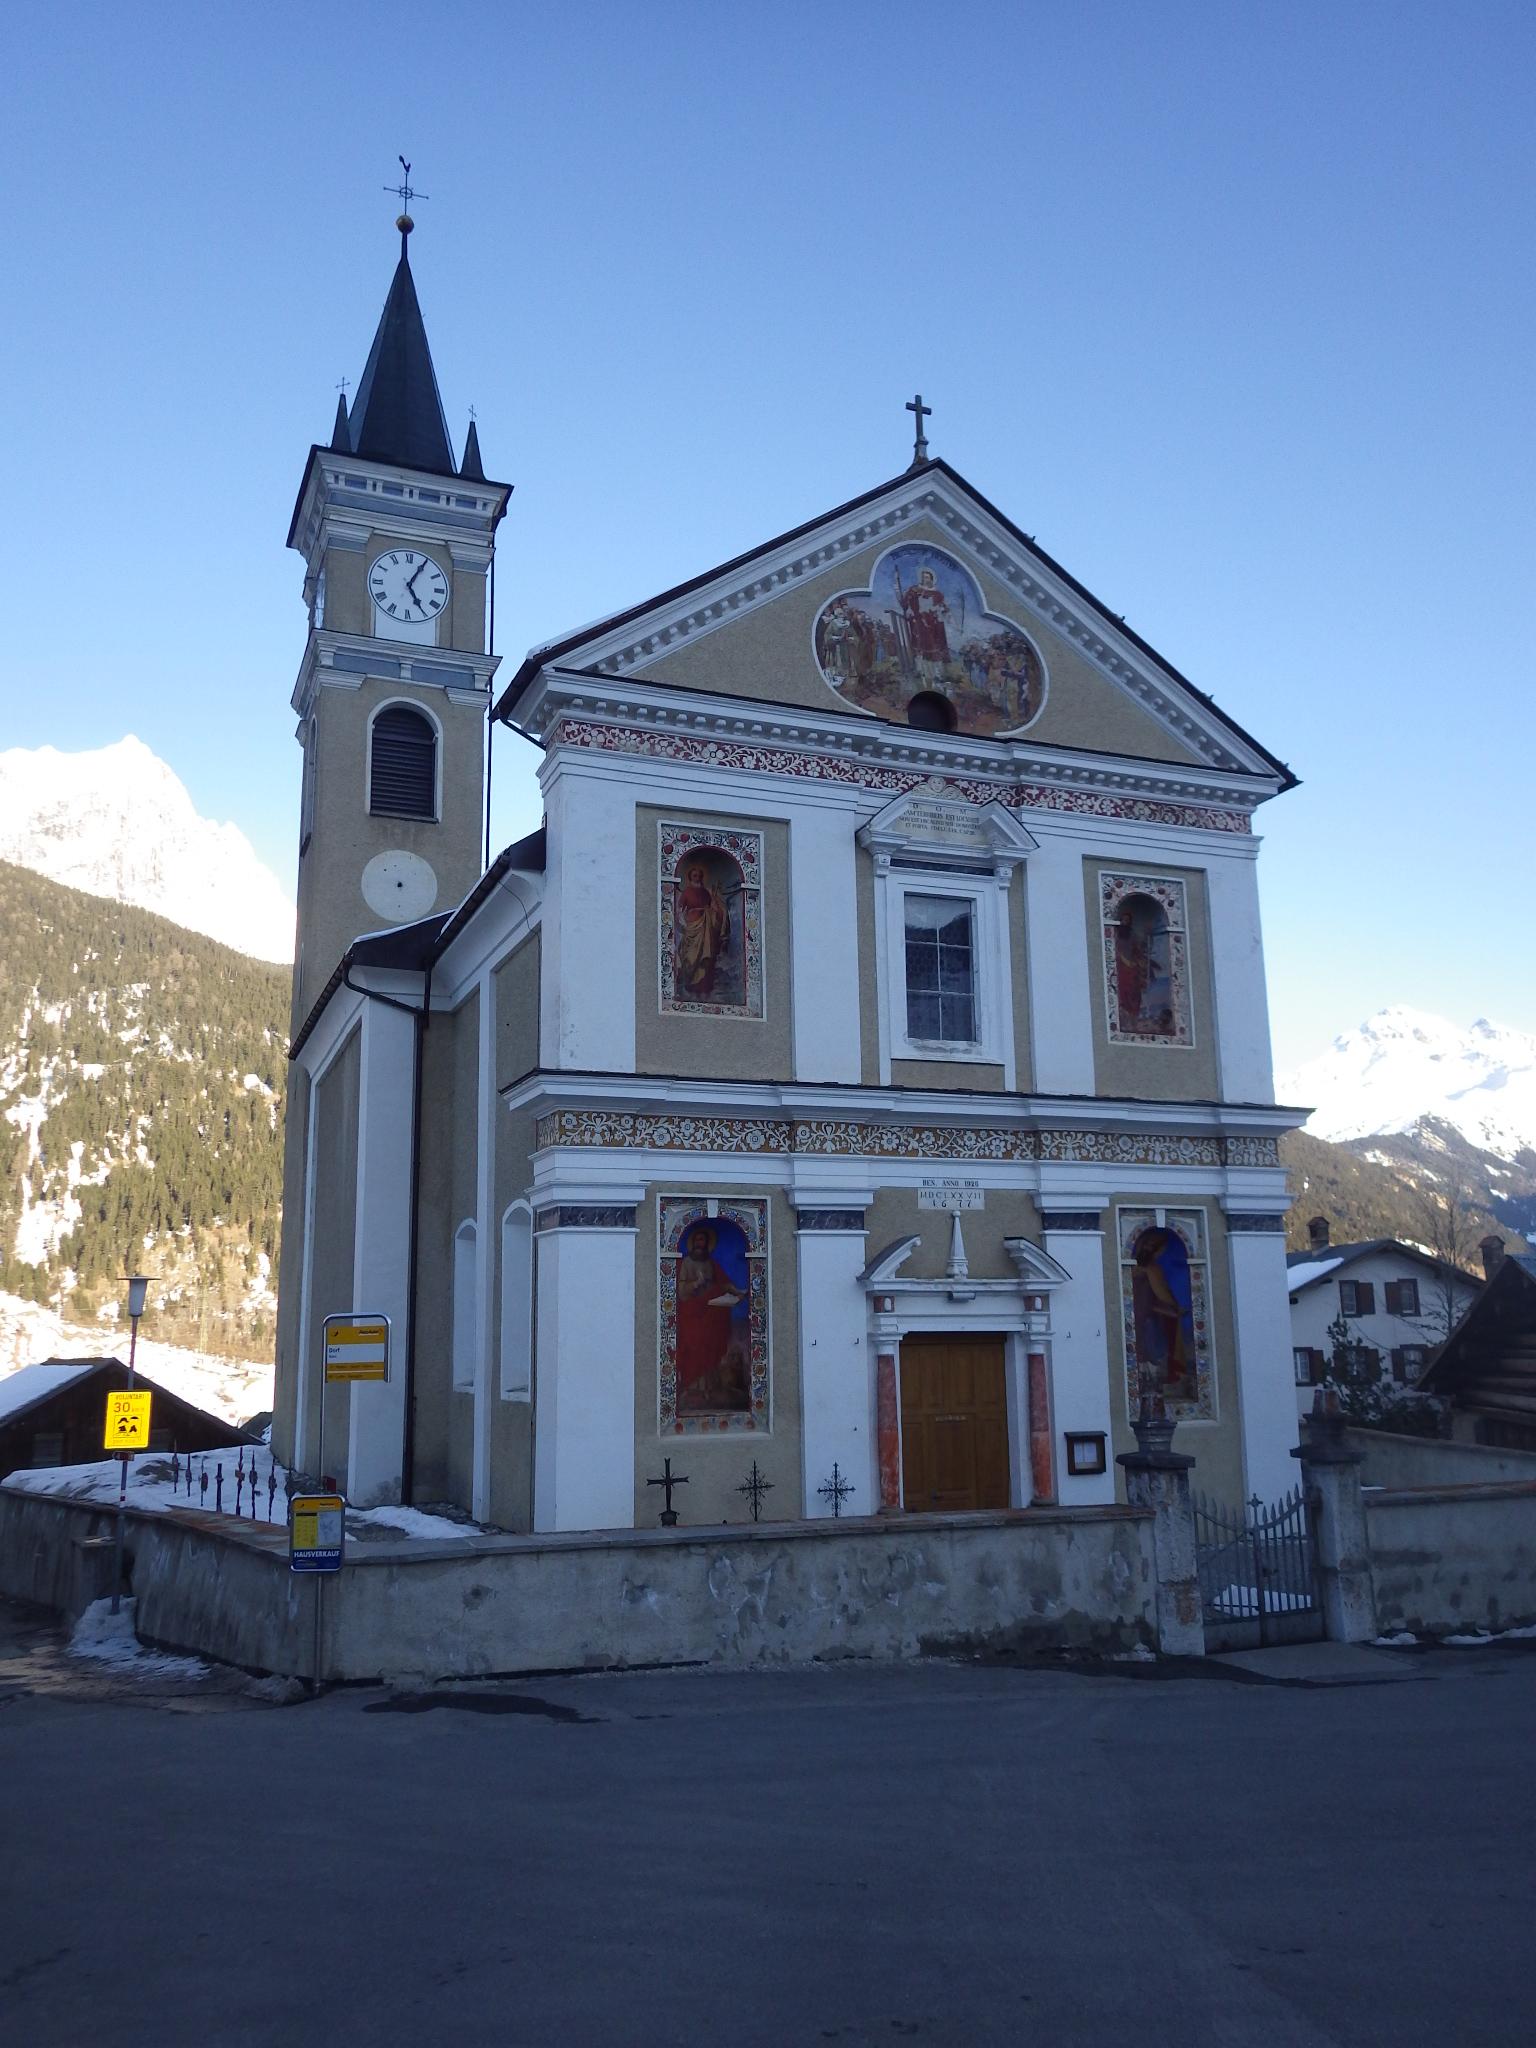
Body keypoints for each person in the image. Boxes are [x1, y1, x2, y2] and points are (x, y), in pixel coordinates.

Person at [675, 1224, 748, 1413]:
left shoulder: (711, 1264)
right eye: (697, 1240)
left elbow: (723, 1283)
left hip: (710, 1313)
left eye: (703, 1240)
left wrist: (737, 1292)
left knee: (710, 1346)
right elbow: (681, 1291)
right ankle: (692, 1388)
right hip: (691, 1313)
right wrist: (695, 1284)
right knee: (694, 1347)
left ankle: (711, 1388)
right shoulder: (686, 1263)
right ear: (692, 1243)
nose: (700, 1244)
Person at [675, 860, 731, 1000]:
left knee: (706, 957)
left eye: (699, 876)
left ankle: (704, 988)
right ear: (690, 877)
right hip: (693, 925)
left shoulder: (706, 892)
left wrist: (716, 905)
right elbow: (680, 909)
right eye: (695, 876)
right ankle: (690, 986)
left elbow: (714, 908)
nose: (697, 878)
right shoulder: (687, 892)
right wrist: (681, 922)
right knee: (690, 955)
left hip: (706, 927)